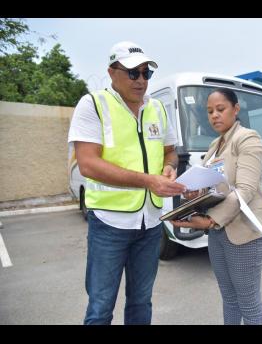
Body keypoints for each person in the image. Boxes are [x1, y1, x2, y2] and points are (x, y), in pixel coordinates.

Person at [68, 41, 186, 325]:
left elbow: (170, 152)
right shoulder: (93, 104)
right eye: (134, 73)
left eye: (147, 73)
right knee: (100, 307)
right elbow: (88, 163)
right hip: (109, 224)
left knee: (141, 302)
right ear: (112, 72)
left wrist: (169, 169)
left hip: (150, 223)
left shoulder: (157, 108)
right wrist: (149, 181)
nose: (142, 81)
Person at [169, 88, 262, 325]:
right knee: (229, 298)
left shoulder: (248, 138)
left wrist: (210, 221)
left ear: (236, 109)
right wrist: (194, 192)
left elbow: (245, 190)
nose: (214, 116)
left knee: (248, 302)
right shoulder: (214, 146)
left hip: (244, 232)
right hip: (218, 232)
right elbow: (217, 188)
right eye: (210, 111)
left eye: (221, 109)